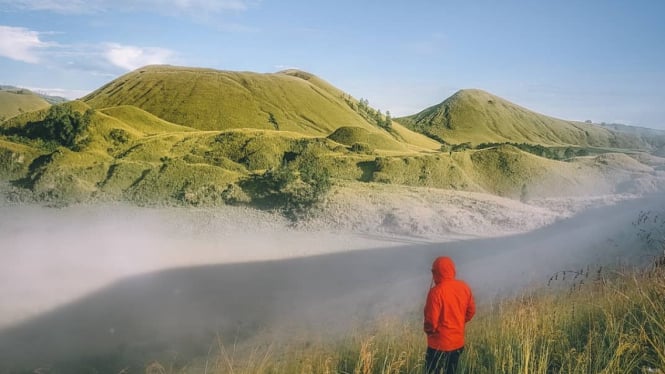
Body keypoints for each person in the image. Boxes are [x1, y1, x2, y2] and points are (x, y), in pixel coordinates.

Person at [423, 256, 476, 374]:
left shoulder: (435, 293)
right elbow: (471, 311)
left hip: (438, 345)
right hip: (457, 343)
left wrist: (428, 331)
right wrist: (458, 321)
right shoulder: (464, 287)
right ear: (452, 270)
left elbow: (431, 323)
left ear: (436, 272)